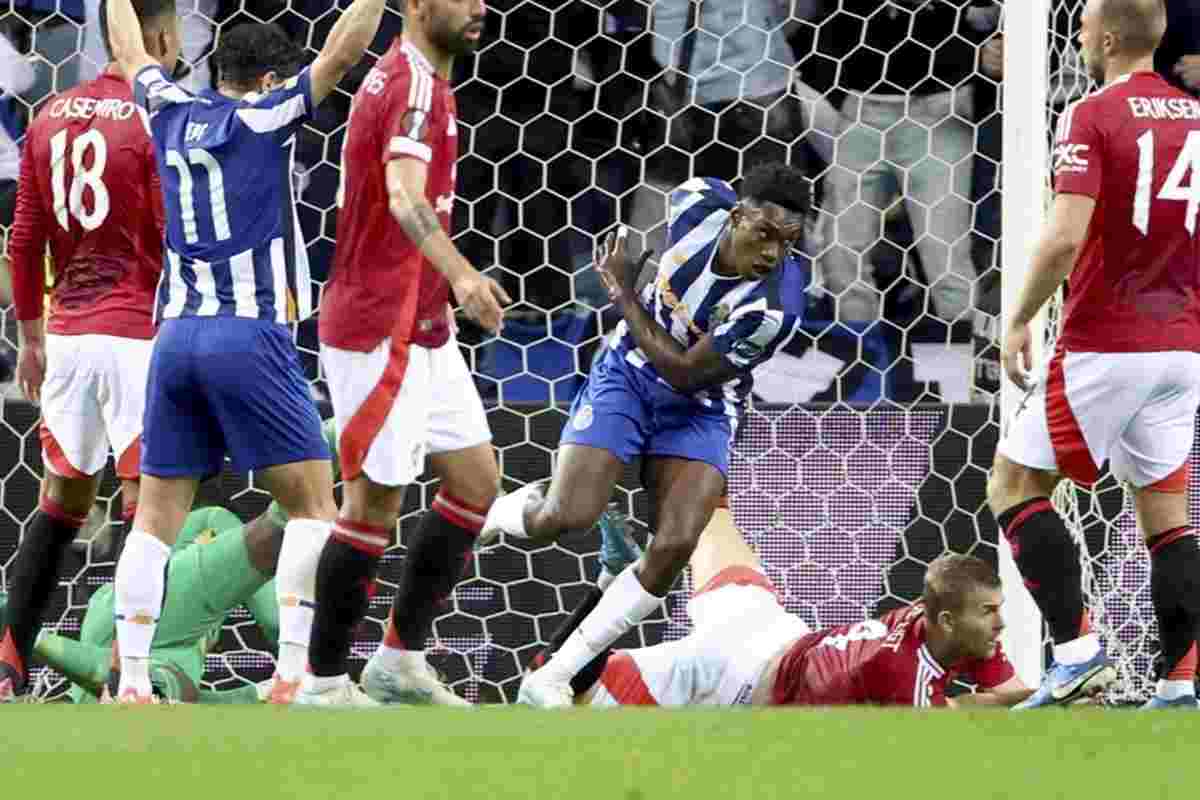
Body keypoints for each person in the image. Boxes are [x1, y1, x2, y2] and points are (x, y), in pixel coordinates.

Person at [104, 0, 386, 703]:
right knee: (314, 507)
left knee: (155, 521)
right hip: (249, 332)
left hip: (175, 337)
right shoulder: (266, 114)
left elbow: (130, 51)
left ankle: (131, 682)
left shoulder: (168, 108)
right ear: (265, 81)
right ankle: (292, 673)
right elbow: (342, 53)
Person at [481, 164, 809, 707]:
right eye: (765, 233)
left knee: (675, 543)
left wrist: (623, 293)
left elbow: (684, 372)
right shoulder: (696, 202)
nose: (773, 253)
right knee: (566, 516)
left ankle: (554, 677)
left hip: (701, 404)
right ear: (736, 215)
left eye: (788, 241)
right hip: (628, 372)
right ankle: (501, 513)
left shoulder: (774, 306)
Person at [991, 0, 1200, 710]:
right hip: (1182, 346)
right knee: (1167, 517)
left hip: (1107, 339)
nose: (1077, 36)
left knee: (1013, 484)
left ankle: (1077, 655)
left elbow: (1062, 237)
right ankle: (1179, 685)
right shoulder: (1195, 116)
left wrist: (1020, 317)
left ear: (1108, 37)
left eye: (1082, 26)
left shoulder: (1092, 114)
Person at [309, 0, 509, 706]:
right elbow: (402, 196)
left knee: (476, 481)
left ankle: (397, 661)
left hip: (422, 321)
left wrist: (439, 290)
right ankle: (322, 682)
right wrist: (462, 275)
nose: (479, 6)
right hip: (378, 325)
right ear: (417, 5)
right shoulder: (413, 83)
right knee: (372, 504)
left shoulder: (421, 77)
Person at [0, 0, 171, 701]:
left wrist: (30, 338)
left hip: (68, 334)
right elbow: (171, 227)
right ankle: (124, 674)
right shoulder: (157, 116)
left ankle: (8, 663)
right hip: (136, 332)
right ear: (163, 37)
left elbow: (24, 236)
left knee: (62, 501)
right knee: (146, 504)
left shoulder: (49, 114)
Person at [530, 505, 1035, 709]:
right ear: (947, 620)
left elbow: (1010, 693)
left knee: (709, 510)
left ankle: (619, 573)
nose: (1000, 624)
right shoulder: (903, 674)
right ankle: (611, 578)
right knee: (554, 690)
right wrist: (1039, 701)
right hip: (728, 673)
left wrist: (1048, 694)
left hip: (760, 621)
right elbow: (969, 711)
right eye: (989, 613)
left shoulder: (943, 613)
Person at [6, 505, 284, 704]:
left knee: (157, 690)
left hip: (130, 628)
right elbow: (213, 520)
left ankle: (29, 642)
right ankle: (32, 641)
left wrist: (257, 693)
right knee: (160, 689)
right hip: (160, 621)